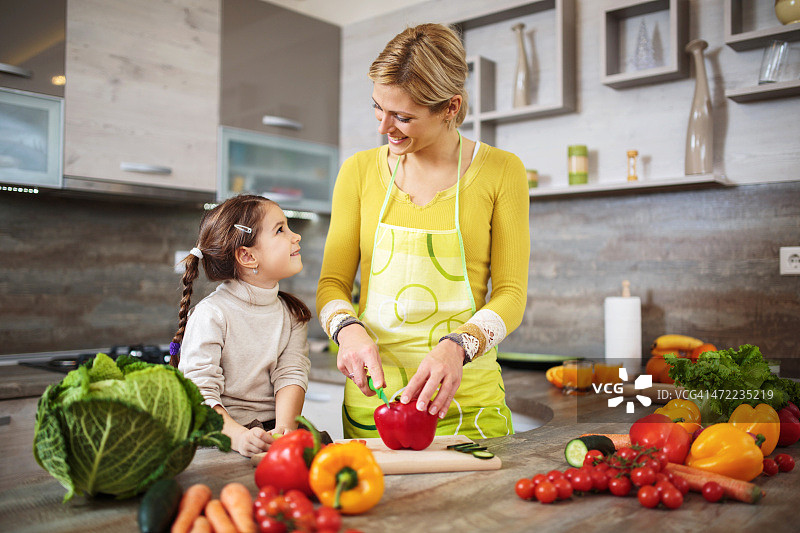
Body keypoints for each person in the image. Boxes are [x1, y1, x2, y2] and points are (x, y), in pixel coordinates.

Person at [316, 23, 530, 440]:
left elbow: (511, 295)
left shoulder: (502, 170)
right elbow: (331, 285)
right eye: (378, 107)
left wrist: (458, 347)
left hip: (468, 400)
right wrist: (347, 329)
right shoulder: (358, 172)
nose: (384, 127)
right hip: (375, 403)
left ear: (450, 107)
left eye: (403, 116)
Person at [170, 194, 311, 457]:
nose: (296, 236)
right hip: (219, 438)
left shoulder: (292, 314)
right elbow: (199, 391)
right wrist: (238, 437)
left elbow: (291, 373)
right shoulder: (212, 314)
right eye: (281, 230)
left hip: (268, 436)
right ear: (247, 256)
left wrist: (284, 431)